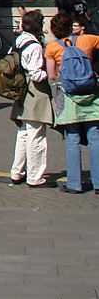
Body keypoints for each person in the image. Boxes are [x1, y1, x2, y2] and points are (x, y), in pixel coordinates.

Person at [45, 11, 98, 194]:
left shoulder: (52, 47)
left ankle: (75, 184)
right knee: (95, 138)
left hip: (68, 96)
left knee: (73, 138)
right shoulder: (87, 40)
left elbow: (52, 76)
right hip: (91, 94)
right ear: (71, 27)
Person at [9, 8, 53, 187]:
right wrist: (50, 73)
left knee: (24, 133)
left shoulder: (19, 41)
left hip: (21, 89)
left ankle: (17, 172)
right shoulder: (34, 46)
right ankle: (35, 176)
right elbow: (35, 74)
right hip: (34, 90)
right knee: (37, 134)